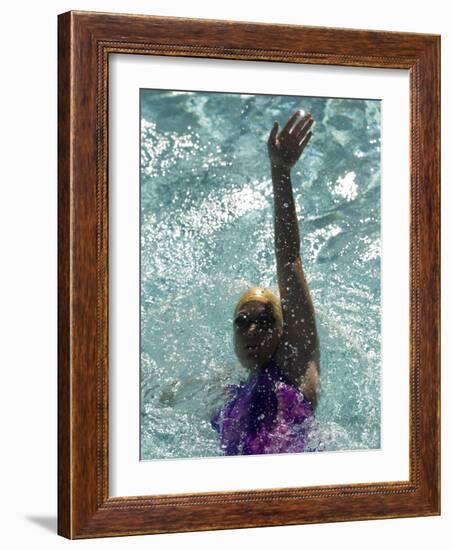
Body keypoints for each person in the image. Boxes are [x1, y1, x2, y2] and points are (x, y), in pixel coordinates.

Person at [211, 111, 320, 455]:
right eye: (243, 322)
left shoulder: (295, 366)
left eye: (264, 321)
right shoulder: (231, 395)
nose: (253, 330)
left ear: (281, 329)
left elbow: (288, 257)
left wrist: (280, 172)